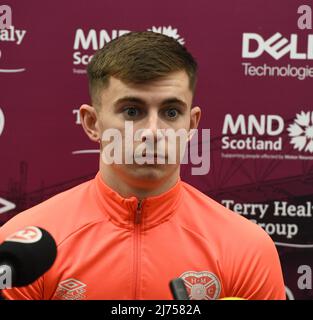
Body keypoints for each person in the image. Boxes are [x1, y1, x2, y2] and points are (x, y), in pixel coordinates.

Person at [0, 31, 286, 300]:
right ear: (92, 123)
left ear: (192, 124)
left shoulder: (246, 247)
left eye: (171, 112)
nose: (152, 131)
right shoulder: (21, 247)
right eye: (132, 111)